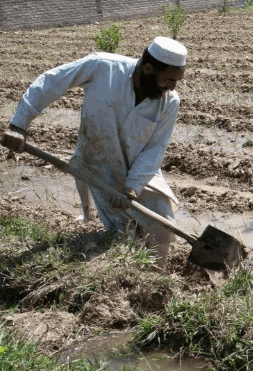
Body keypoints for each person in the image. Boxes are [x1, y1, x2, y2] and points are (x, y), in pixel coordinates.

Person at [1, 37, 187, 269]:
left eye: (177, 81)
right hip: (98, 166)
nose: (172, 87)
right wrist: (19, 124)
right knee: (124, 234)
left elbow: (154, 149)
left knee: (162, 224)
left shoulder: (169, 101)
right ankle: (130, 277)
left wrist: (131, 187)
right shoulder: (103, 67)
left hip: (141, 169)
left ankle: (158, 277)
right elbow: (52, 81)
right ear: (149, 69)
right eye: (170, 80)